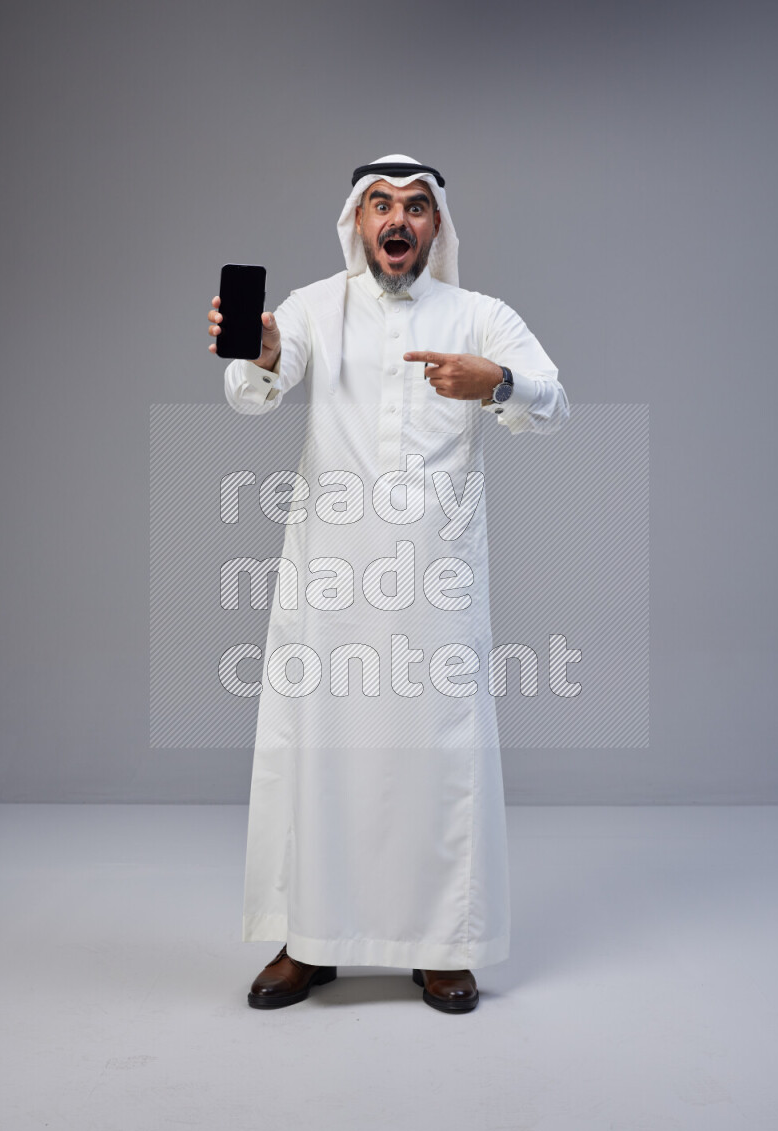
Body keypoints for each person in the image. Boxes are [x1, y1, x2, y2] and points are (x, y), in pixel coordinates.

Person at [207, 154, 570, 1014]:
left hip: (434, 584)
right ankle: (308, 941)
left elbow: (554, 400)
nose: (397, 220)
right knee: (319, 752)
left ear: (436, 226)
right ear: (357, 222)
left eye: (414, 206)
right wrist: (260, 348)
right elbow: (256, 389)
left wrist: (498, 382)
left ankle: (443, 946)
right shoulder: (312, 306)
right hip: (330, 580)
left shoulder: (479, 315)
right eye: (380, 205)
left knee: (437, 758)